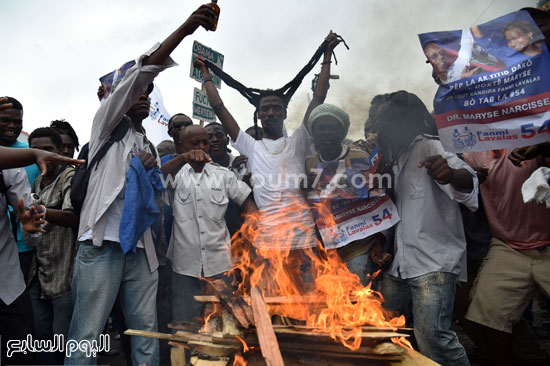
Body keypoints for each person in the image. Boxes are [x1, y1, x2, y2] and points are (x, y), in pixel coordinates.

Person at [66, 5, 217, 365]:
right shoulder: (106, 126)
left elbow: (156, 191)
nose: (145, 95)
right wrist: (186, 27)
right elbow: (145, 67)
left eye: (149, 92)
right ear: (116, 96)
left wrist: (160, 167)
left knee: (146, 334)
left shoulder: (145, 143)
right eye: (138, 90)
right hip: (103, 245)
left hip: (141, 249)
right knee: (86, 334)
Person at [194, 31, 342, 254]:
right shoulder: (249, 146)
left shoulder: (299, 140)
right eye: (265, 109)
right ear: (259, 115)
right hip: (268, 242)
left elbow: (319, 97)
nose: (270, 112)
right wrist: (206, 73)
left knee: (309, 290)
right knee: (272, 290)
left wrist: (327, 54)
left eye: (276, 108)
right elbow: (219, 107)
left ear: (284, 113)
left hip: (303, 239)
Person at [372, 91, 478, 366]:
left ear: (403, 120)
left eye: (385, 120)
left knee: (433, 336)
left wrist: (452, 175)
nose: (379, 126)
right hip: (398, 265)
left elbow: (470, 182)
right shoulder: (392, 159)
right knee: (385, 329)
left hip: (433, 263)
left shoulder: (433, 147)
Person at [161, 124, 256, 333]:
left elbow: (247, 201)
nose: (202, 146)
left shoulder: (223, 175)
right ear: (181, 145)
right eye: (195, 143)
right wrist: (184, 158)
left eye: (205, 142)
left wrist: (253, 228)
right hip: (184, 266)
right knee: (186, 326)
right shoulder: (175, 175)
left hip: (220, 265)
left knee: (226, 326)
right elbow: (157, 178)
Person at [463, 147, 550, 366]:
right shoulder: (472, 148)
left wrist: (543, 146)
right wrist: (465, 174)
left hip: (548, 242)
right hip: (507, 245)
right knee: (488, 314)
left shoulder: (531, 130)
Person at [304, 103, 390, 286]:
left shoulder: (359, 157)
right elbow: (312, 204)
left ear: (342, 133)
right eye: (321, 128)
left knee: (357, 301)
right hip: (328, 248)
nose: (326, 133)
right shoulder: (310, 163)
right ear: (313, 133)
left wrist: (379, 241)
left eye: (332, 128)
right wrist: (306, 190)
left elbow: (376, 201)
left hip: (359, 246)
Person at [28, 127, 78, 365]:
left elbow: (72, 217)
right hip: (39, 274)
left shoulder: (68, 176)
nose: (42, 154)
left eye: (47, 149)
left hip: (63, 277)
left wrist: (42, 211)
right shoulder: (38, 181)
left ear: (60, 151)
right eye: (35, 150)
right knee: (42, 339)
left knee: (62, 342)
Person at [0, 161, 47, 365]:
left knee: (20, 355)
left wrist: (31, 229)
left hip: (8, 287)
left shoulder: (9, 168)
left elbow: (30, 226)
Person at [204, 122, 249, 236]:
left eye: (219, 135)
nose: (214, 140)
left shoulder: (243, 165)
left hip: (240, 234)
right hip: (211, 235)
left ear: (227, 140)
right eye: (209, 137)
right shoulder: (197, 170)